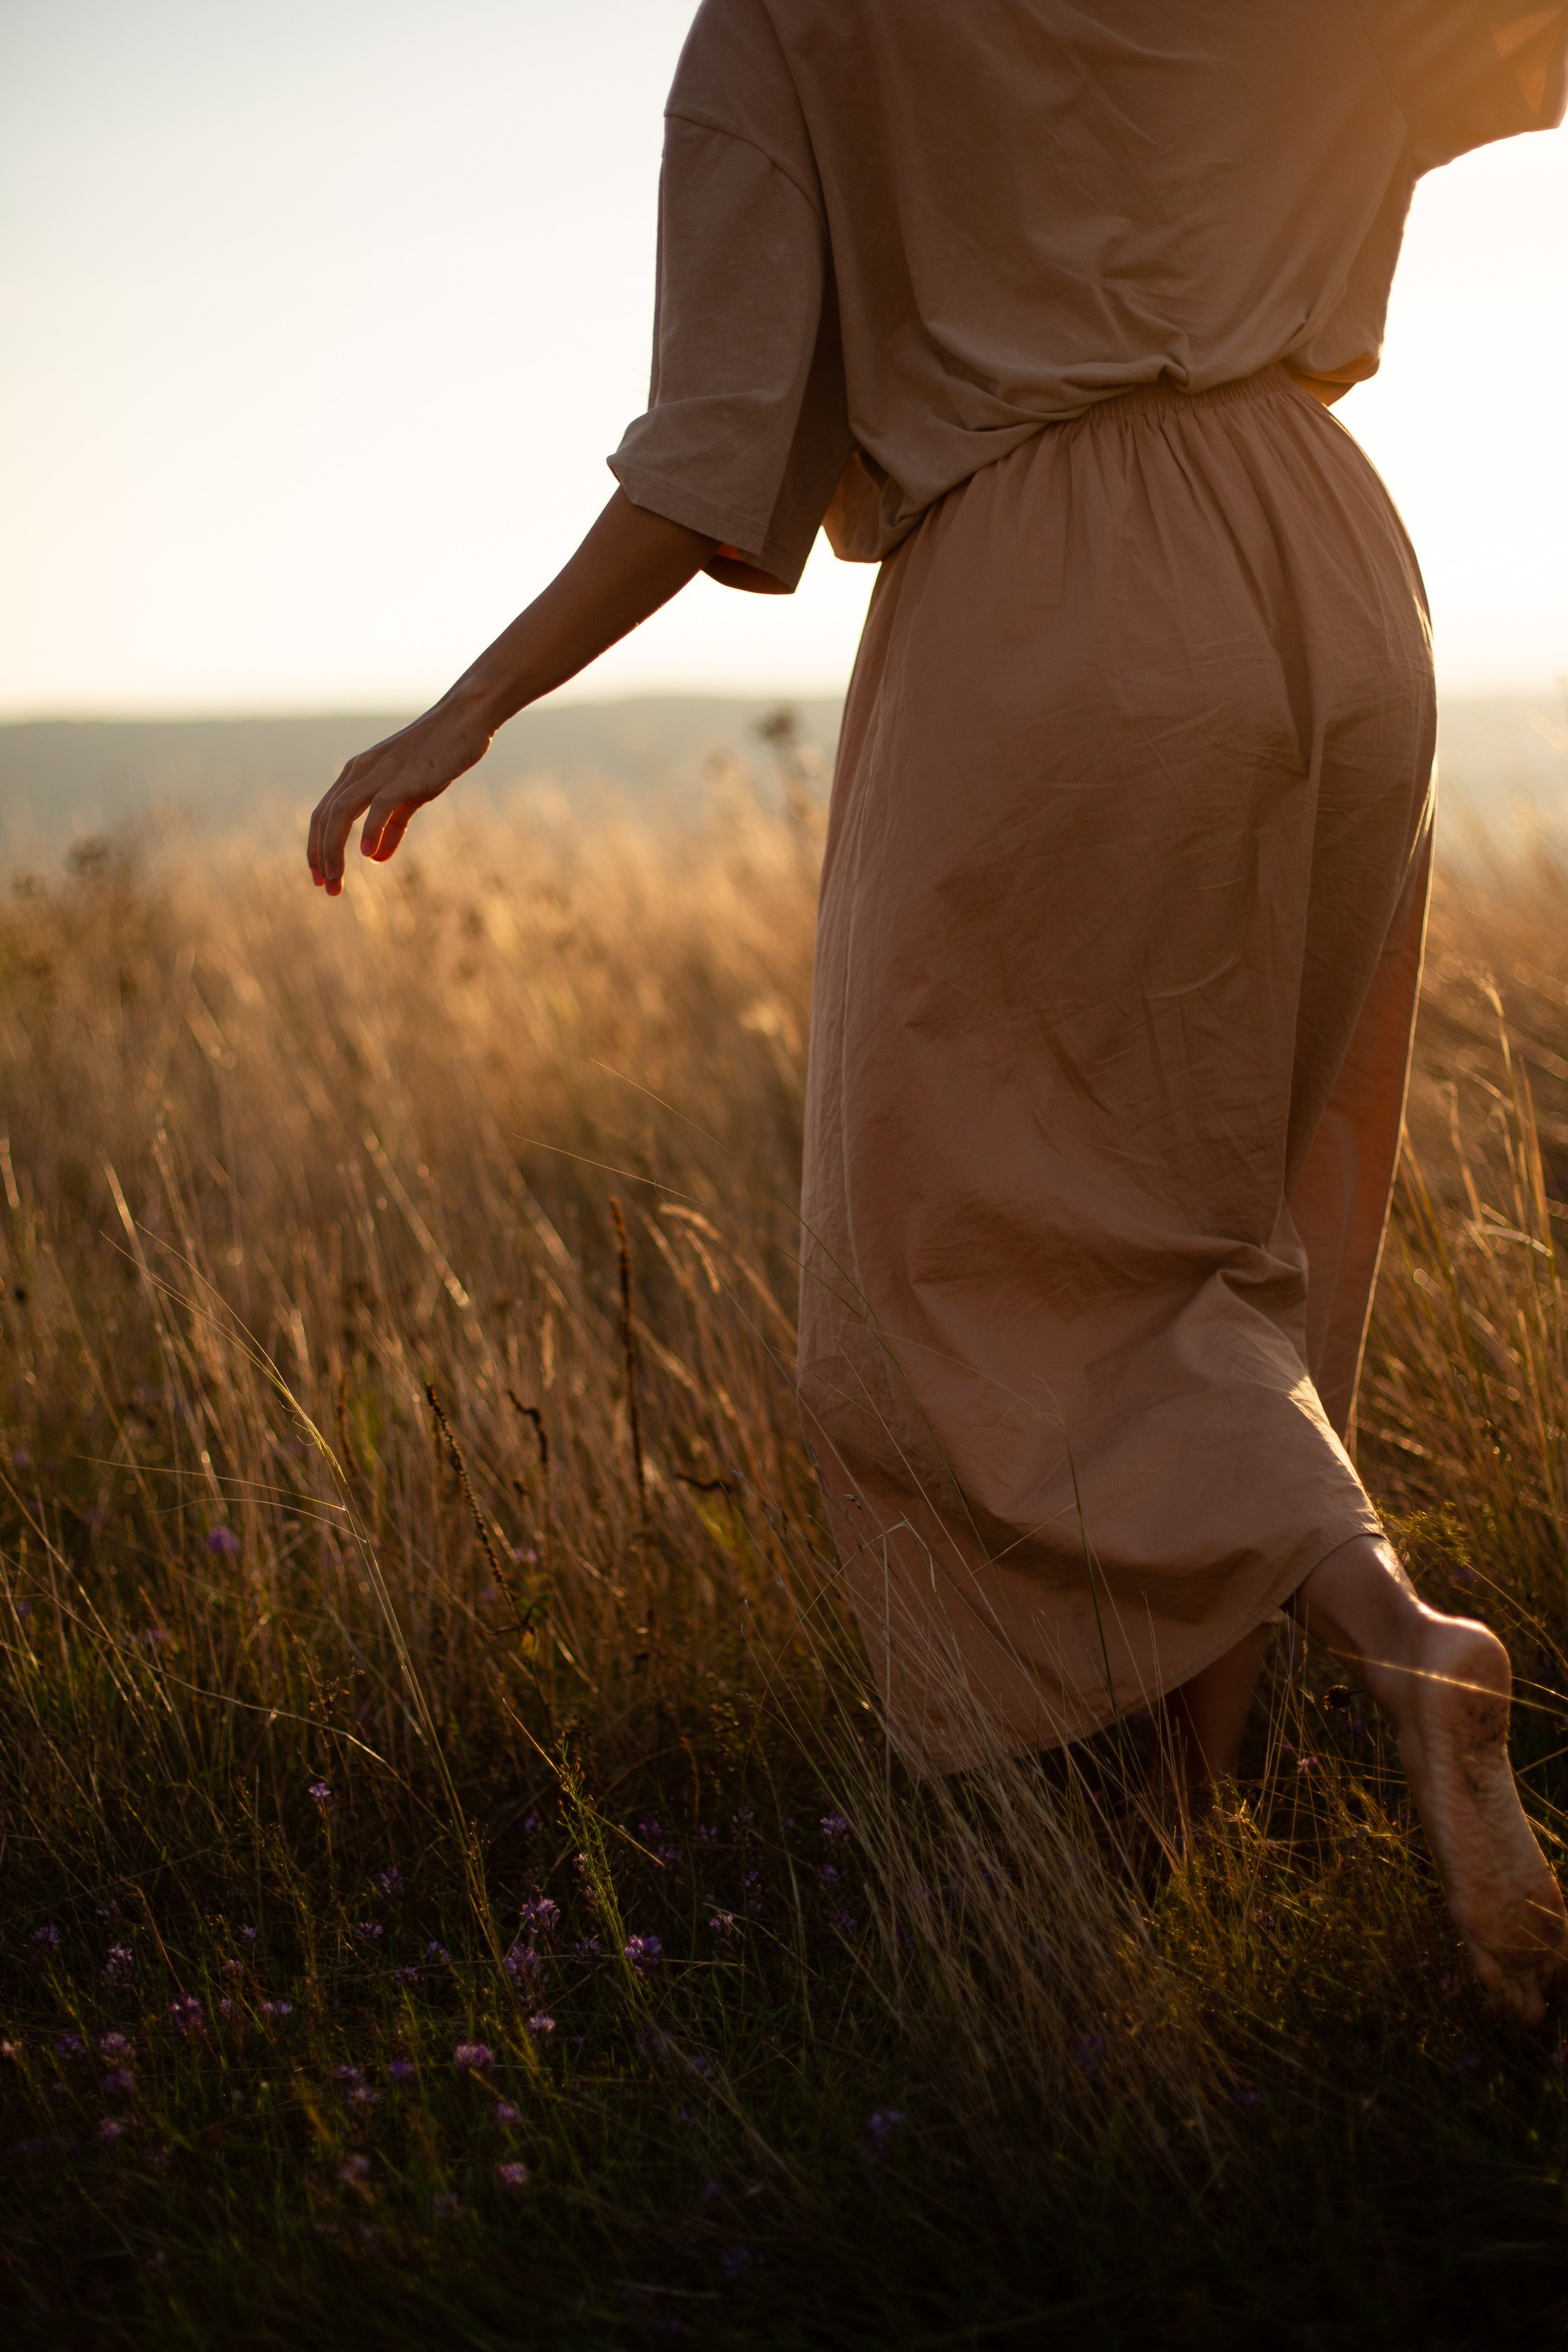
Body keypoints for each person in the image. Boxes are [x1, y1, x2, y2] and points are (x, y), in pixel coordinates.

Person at [308, 1, 1568, 2020]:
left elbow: (710, 460)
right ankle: (1188, 1831)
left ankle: (1396, 1628)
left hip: (1045, 594)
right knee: (1255, 1203)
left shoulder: (796, 22)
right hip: (1336, 566)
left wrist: (473, 703)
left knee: (977, 1244)